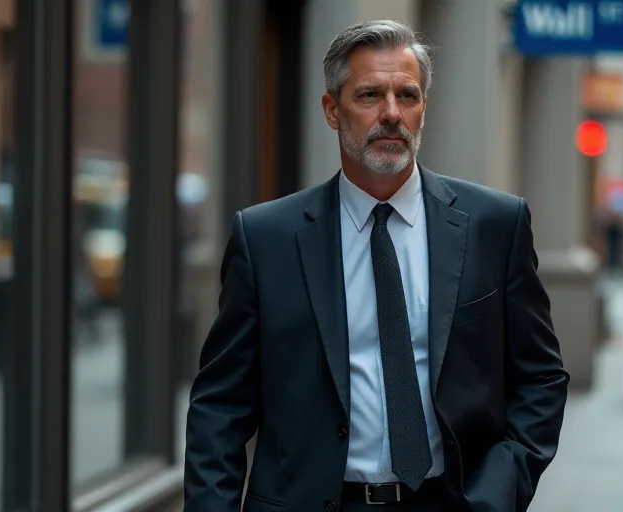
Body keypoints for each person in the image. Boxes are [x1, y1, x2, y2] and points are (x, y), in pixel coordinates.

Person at [184, 20, 569, 511]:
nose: (391, 113)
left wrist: (497, 493)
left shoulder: (494, 225)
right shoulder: (265, 239)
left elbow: (540, 378)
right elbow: (220, 406)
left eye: (407, 95)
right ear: (331, 110)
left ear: (424, 108)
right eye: (369, 95)